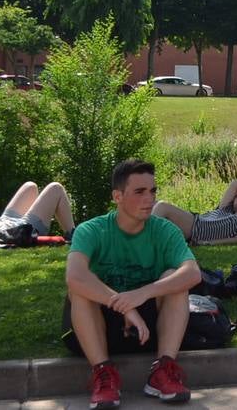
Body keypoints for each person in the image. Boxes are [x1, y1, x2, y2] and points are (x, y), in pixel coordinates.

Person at [64, 158, 201, 409]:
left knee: (174, 278)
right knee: (80, 289)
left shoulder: (165, 230)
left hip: (146, 328)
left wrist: (143, 293)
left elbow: (193, 274)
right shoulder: (91, 230)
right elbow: (75, 276)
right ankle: (103, 376)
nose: (149, 198)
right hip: (97, 324)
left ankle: (163, 370)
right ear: (117, 196)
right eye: (139, 191)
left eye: (152, 191)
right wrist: (126, 306)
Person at [150, 179, 237, 245]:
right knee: (153, 204)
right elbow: (235, 184)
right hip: (194, 220)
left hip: (195, 228)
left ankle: (141, 242)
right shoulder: (225, 210)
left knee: (162, 206)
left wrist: (207, 243)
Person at [0, 180, 76, 246]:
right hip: (9, 232)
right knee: (56, 188)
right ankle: (75, 237)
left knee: (30, 186)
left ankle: (74, 235)